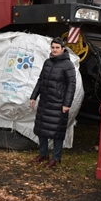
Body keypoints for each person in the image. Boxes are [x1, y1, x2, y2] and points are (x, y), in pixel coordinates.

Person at [29, 37, 77, 168]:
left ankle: (56, 158)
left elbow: (71, 86)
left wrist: (67, 104)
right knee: (41, 129)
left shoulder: (68, 65)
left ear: (62, 49)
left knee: (57, 132)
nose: (54, 50)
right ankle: (43, 154)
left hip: (59, 103)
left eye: (57, 48)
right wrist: (33, 96)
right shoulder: (47, 62)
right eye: (53, 47)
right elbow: (41, 80)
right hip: (45, 101)